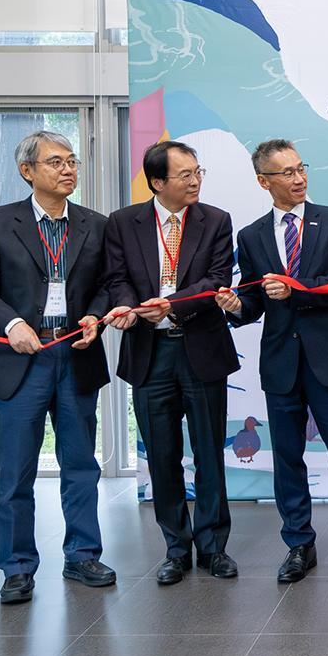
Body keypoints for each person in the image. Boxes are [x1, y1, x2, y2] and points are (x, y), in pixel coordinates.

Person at [215, 140, 328, 584]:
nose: (299, 178)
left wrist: (295, 287)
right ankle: (298, 544)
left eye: (301, 168)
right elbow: (254, 300)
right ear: (263, 181)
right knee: (287, 457)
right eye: (286, 172)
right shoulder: (250, 236)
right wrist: (235, 305)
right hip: (282, 362)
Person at [0, 130, 114, 604]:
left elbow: (110, 284)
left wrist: (95, 314)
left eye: (72, 162)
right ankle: (17, 566)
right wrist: (10, 323)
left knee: (80, 463)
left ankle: (83, 554)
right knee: (15, 472)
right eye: (55, 162)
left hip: (75, 355)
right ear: (28, 171)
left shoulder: (96, 224)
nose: (67, 170)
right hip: (20, 358)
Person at [104, 140, 242, 582]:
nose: (196, 181)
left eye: (198, 172)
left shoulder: (215, 220)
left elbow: (217, 278)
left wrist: (171, 305)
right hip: (149, 354)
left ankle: (213, 546)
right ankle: (175, 548)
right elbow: (117, 278)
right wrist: (128, 307)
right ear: (158, 182)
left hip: (200, 347)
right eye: (185, 175)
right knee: (161, 456)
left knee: (208, 452)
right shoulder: (124, 223)